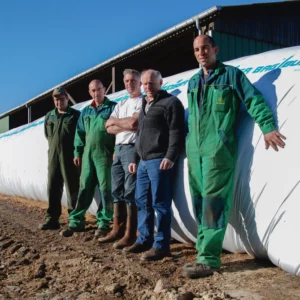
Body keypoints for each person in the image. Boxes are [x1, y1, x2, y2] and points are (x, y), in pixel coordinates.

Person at [183, 35, 286, 278]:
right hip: (195, 151)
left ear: (215, 49)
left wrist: (267, 126)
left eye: (205, 48)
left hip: (218, 151)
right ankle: (202, 251)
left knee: (212, 203)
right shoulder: (193, 81)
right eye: (197, 49)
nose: (201, 53)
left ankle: (208, 260)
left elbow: (253, 100)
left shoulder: (231, 76)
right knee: (199, 201)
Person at [123, 69, 185, 261]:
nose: (147, 87)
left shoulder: (171, 103)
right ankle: (144, 239)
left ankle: (161, 245)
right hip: (142, 161)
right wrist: (134, 159)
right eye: (145, 84)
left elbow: (177, 131)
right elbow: (139, 135)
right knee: (142, 201)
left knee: (160, 203)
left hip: (159, 160)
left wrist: (170, 156)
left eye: (151, 83)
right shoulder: (144, 104)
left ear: (161, 83)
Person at [61, 80, 116, 237]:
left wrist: (115, 150)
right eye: (93, 90)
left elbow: (119, 131)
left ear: (104, 89)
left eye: (99, 89)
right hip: (87, 155)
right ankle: (76, 221)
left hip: (105, 154)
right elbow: (80, 133)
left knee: (106, 189)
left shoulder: (113, 108)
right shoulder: (86, 111)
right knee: (84, 188)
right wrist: (78, 152)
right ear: (89, 92)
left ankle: (104, 223)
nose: (96, 93)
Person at [98, 69, 142, 249]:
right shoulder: (121, 104)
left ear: (139, 82)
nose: (129, 84)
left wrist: (119, 123)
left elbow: (134, 124)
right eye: (126, 81)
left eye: (133, 80)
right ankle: (117, 229)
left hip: (132, 149)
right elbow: (108, 127)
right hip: (118, 148)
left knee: (130, 190)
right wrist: (122, 124)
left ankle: (130, 233)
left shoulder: (143, 101)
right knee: (116, 189)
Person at [40, 87, 80, 230]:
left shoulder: (75, 115)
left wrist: (77, 153)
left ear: (67, 98)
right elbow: (47, 135)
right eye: (56, 100)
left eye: (61, 99)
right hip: (53, 156)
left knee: (72, 186)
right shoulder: (49, 116)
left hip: (70, 156)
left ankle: (75, 219)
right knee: (52, 186)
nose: (59, 102)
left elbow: (80, 137)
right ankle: (52, 219)